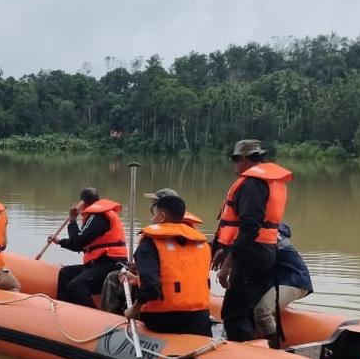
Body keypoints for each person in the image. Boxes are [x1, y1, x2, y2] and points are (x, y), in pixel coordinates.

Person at [212, 139, 292, 345]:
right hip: (261, 253)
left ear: (246, 159)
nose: (234, 164)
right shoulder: (267, 182)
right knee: (245, 309)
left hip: (252, 255)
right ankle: (262, 350)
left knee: (233, 314)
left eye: (236, 159)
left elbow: (249, 228)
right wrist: (221, 248)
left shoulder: (253, 184)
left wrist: (228, 263)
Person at [123, 194, 213, 337]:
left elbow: (151, 288)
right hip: (199, 319)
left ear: (161, 217)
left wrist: (133, 310)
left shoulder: (150, 243)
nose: (152, 219)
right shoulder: (201, 244)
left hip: (163, 319)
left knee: (125, 291)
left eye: (154, 215)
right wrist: (136, 278)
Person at [51, 187, 128, 307]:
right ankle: (63, 310)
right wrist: (60, 242)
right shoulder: (97, 216)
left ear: (82, 203)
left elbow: (77, 242)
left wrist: (72, 221)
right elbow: (82, 244)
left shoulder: (98, 216)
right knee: (65, 273)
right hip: (100, 263)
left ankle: (94, 318)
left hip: (111, 264)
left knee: (76, 285)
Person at [252, 223, 314, 342]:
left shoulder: (265, 234)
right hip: (281, 279)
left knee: (262, 311)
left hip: (294, 280)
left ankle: (274, 348)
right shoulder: (269, 230)